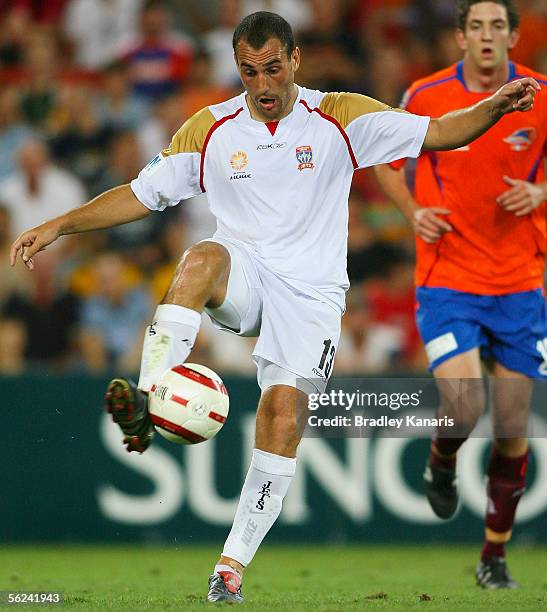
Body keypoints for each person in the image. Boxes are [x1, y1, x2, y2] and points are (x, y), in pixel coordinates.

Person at [10, 10, 540, 604]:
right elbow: (139, 195)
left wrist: (495, 106)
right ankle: (151, 397)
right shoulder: (211, 127)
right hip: (246, 273)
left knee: (283, 416)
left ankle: (230, 566)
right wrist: (58, 225)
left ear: (294, 61)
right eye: (247, 72)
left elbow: (439, 131)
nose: (261, 85)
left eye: (270, 68)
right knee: (201, 257)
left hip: (311, 296)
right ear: (236, 70)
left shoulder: (341, 116)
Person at [374, 0, 546, 590]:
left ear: (514, 36)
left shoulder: (542, 93)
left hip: (522, 282)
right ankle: (441, 460)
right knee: (467, 405)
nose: (487, 36)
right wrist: (413, 209)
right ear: (460, 36)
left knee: (514, 423)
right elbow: (383, 160)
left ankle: (493, 556)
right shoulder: (426, 96)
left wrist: (541, 193)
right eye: (477, 26)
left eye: (498, 26)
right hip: (449, 278)